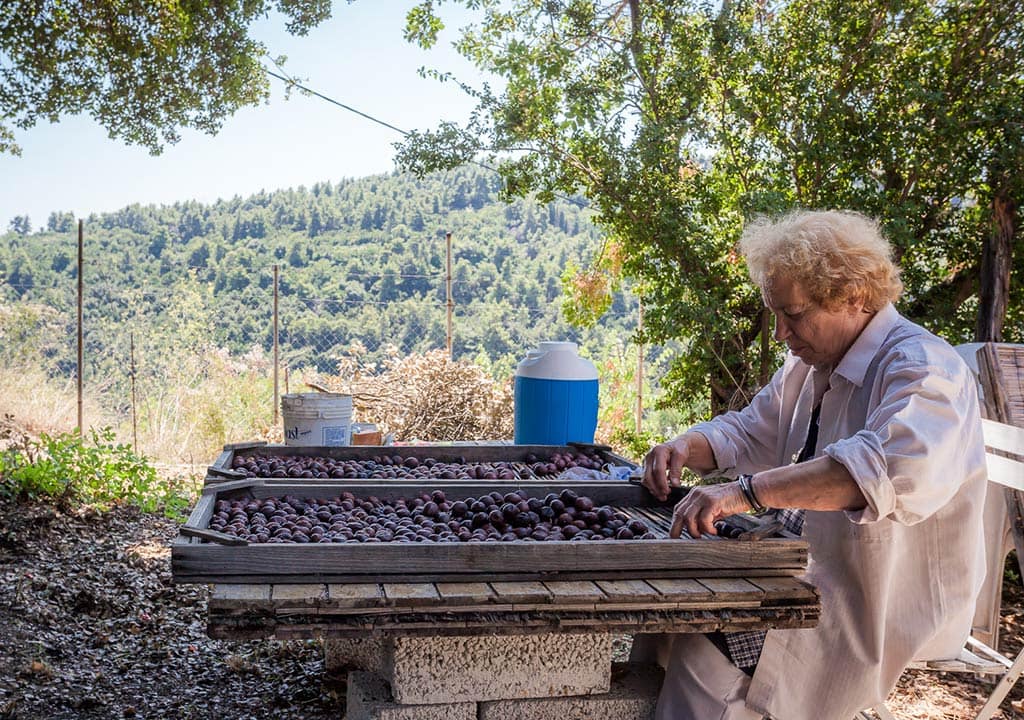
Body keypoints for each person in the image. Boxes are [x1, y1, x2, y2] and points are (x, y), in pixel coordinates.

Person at [637, 210, 988, 720]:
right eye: (775, 314)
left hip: (874, 594)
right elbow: (749, 430)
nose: (781, 332)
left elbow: (877, 473)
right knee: (668, 615)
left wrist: (743, 492)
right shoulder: (810, 362)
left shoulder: (925, 369)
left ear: (854, 297)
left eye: (795, 314)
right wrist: (686, 447)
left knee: (705, 643)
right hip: (805, 567)